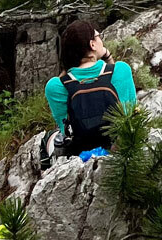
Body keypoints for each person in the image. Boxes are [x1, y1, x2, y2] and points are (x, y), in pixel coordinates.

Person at [45, 20, 137, 156]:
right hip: (118, 151)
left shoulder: (55, 86)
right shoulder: (121, 70)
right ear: (92, 44)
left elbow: (64, 128)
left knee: (49, 138)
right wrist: (108, 56)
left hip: (80, 155)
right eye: (98, 36)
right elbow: (129, 114)